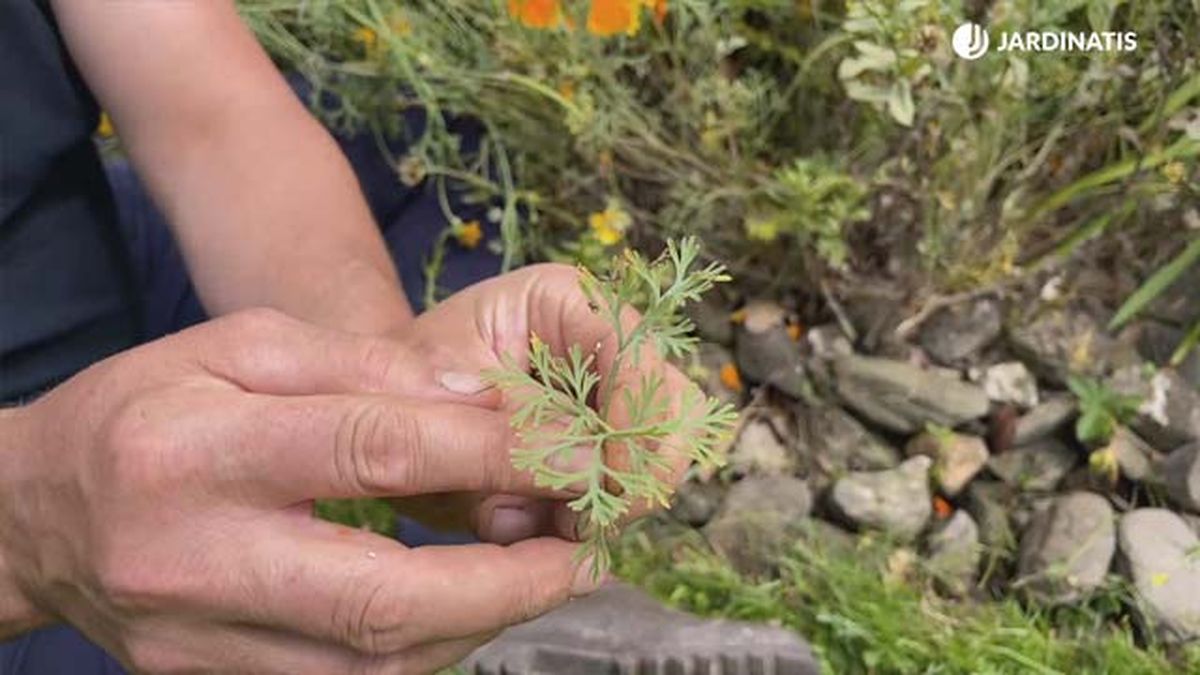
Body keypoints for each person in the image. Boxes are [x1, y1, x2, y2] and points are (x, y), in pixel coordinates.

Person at [0, 1, 690, 672]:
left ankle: (504, 585)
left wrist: (386, 361)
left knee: (436, 141)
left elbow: (214, 119)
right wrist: (33, 527)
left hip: (79, 259)